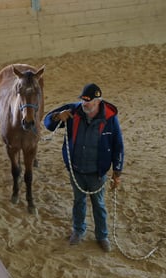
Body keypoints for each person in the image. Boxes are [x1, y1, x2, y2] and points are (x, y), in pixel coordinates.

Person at [43, 83, 124, 253]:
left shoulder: (110, 118)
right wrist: (57, 116)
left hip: (97, 172)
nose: (84, 104)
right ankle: (78, 230)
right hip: (76, 169)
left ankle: (102, 236)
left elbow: (118, 145)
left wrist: (117, 173)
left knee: (98, 204)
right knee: (78, 201)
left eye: (88, 101)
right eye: (83, 100)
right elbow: (47, 122)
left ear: (98, 102)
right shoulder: (73, 110)